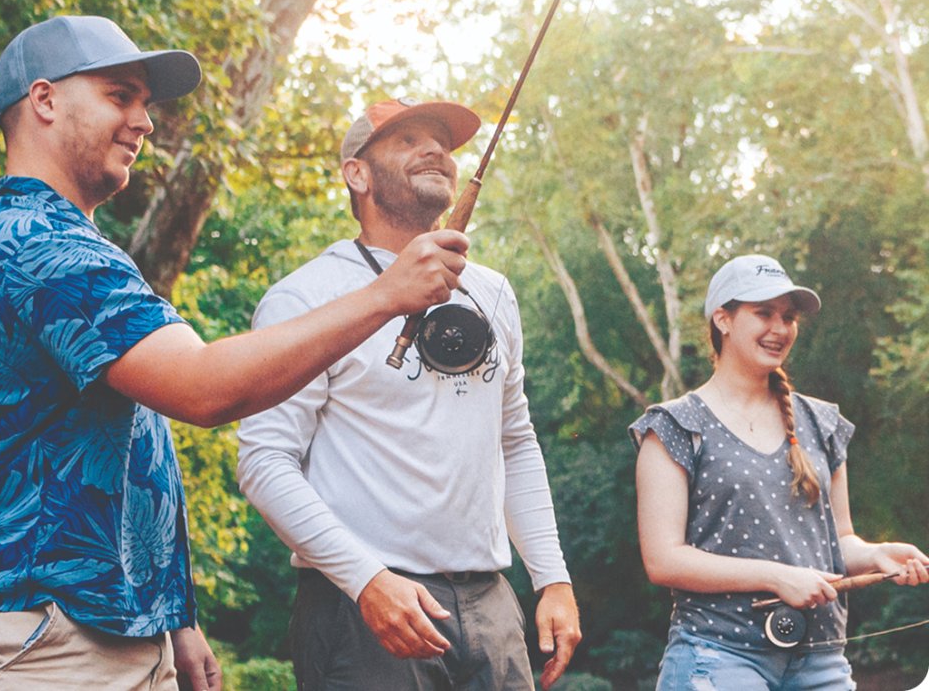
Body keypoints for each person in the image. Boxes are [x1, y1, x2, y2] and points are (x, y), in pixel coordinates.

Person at [0, 18, 469, 691]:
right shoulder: (38, 244)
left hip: (90, 629)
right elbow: (205, 389)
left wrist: (174, 618)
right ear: (45, 101)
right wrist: (385, 295)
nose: (145, 121)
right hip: (30, 636)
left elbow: (119, 451)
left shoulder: (63, 244)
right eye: (121, 95)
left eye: (145, 103)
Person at [236, 97, 582, 691]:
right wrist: (366, 579)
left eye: (441, 143)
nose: (435, 151)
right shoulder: (306, 297)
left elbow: (515, 442)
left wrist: (552, 576)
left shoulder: (494, 291)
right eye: (406, 140)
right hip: (362, 607)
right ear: (357, 174)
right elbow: (264, 463)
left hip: (489, 603)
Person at [630, 254, 929, 690]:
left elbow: (838, 541)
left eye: (788, 317)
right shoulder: (674, 426)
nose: (780, 328)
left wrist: (877, 554)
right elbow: (663, 559)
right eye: (763, 313)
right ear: (723, 319)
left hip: (822, 661)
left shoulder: (822, 424)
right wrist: (774, 576)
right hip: (717, 656)